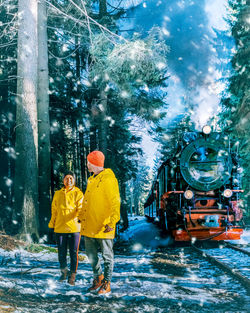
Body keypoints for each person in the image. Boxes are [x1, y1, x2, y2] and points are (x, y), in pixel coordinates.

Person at [79, 150, 120, 294]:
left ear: (94, 163)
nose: (87, 165)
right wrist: (81, 217)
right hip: (89, 225)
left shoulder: (109, 179)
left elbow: (115, 202)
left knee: (107, 256)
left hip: (104, 226)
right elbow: (87, 202)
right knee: (91, 255)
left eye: (89, 162)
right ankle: (98, 279)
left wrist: (113, 221)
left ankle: (107, 283)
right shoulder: (92, 180)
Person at [48, 172, 83, 286]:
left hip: (74, 227)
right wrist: (52, 223)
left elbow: (81, 208)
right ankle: (64, 272)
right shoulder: (58, 193)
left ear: (74, 180)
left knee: (73, 252)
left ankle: (72, 275)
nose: (69, 181)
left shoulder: (78, 193)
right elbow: (54, 210)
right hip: (60, 227)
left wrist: (80, 217)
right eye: (67, 178)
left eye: (71, 178)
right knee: (61, 253)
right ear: (63, 180)